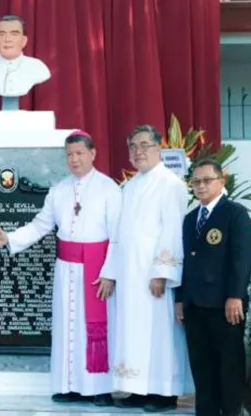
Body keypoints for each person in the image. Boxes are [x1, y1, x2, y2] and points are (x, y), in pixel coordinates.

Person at [0, 130, 120, 406]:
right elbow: (40, 225)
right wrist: (9, 238)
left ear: (93, 154)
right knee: (66, 326)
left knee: (94, 327)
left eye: (79, 153)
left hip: (97, 270)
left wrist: (110, 272)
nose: (74, 159)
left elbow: (118, 234)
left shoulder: (109, 188)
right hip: (66, 269)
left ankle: (99, 388)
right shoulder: (59, 189)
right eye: (69, 154)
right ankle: (68, 385)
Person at [112, 125, 191, 412]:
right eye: (133, 146)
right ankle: (137, 388)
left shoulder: (170, 183)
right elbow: (119, 234)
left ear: (159, 147)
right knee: (133, 331)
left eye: (145, 144)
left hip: (154, 276)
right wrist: (113, 271)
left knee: (159, 332)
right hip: (130, 274)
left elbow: (172, 230)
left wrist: (162, 272)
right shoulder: (130, 186)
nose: (138, 151)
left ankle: (164, 393)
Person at [176, 159, 251, 416]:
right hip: (195, 305)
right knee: (202, 367)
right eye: (195, 181)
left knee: (229, 367)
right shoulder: (189, 219)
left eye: (207, 180)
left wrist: (236, 296)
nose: (201, 186)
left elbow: (241, 259)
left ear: (222, 181)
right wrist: (180, 299)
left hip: (225, 305)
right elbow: (185, 261)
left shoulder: (235, 214)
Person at [0, 15, 50, 98]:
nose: (8, 39)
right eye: (2, 34)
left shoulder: (38, 67)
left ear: (24, 41)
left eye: (14, 34)